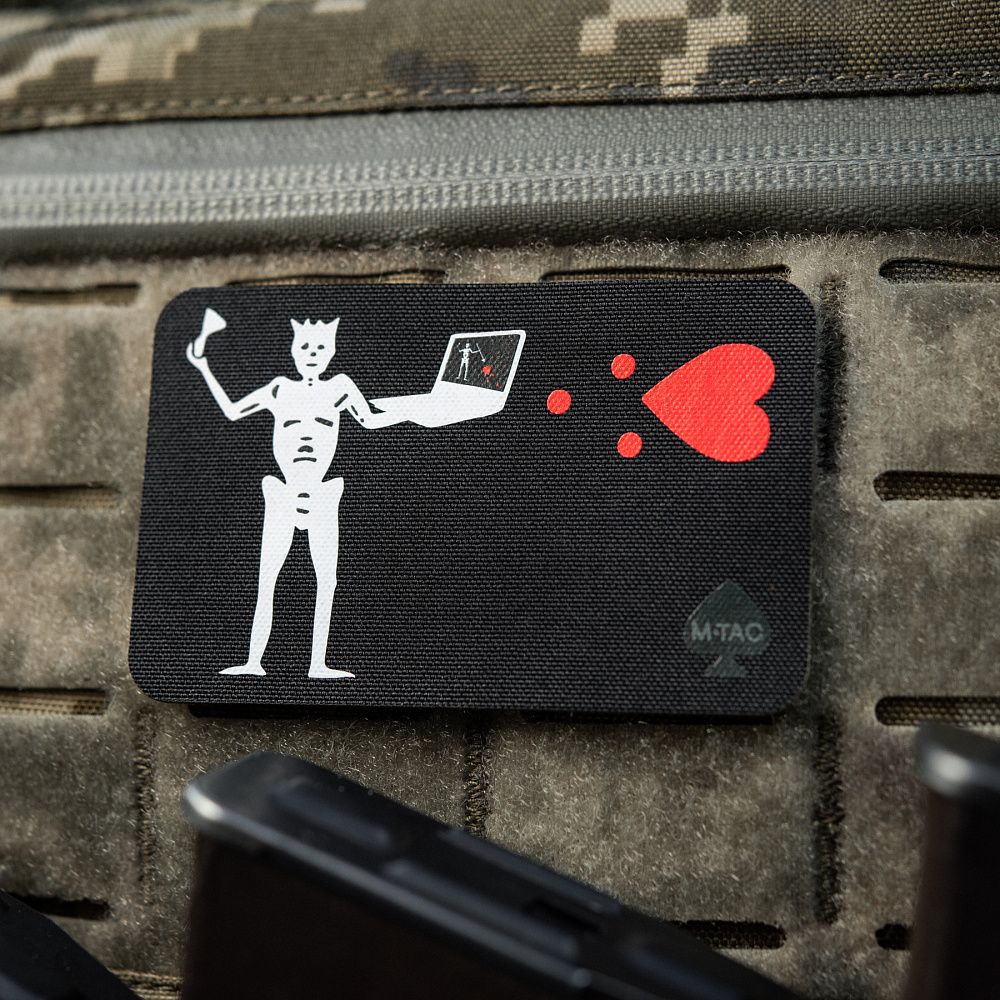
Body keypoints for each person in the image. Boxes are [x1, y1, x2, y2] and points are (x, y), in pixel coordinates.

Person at [186, 316, 404, 679]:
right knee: (267, 579)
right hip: (282, 492)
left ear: (331, 352)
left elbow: (369, 419)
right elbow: (233, 410)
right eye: (305, 346)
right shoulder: (279, 389)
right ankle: (253, 662)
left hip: (323, 493)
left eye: (320, 347)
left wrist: (419, 411)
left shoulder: (339, 388)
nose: (312, 353)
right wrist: (202, 364)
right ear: (293, 350)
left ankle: (317, 664)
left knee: (326, 582)